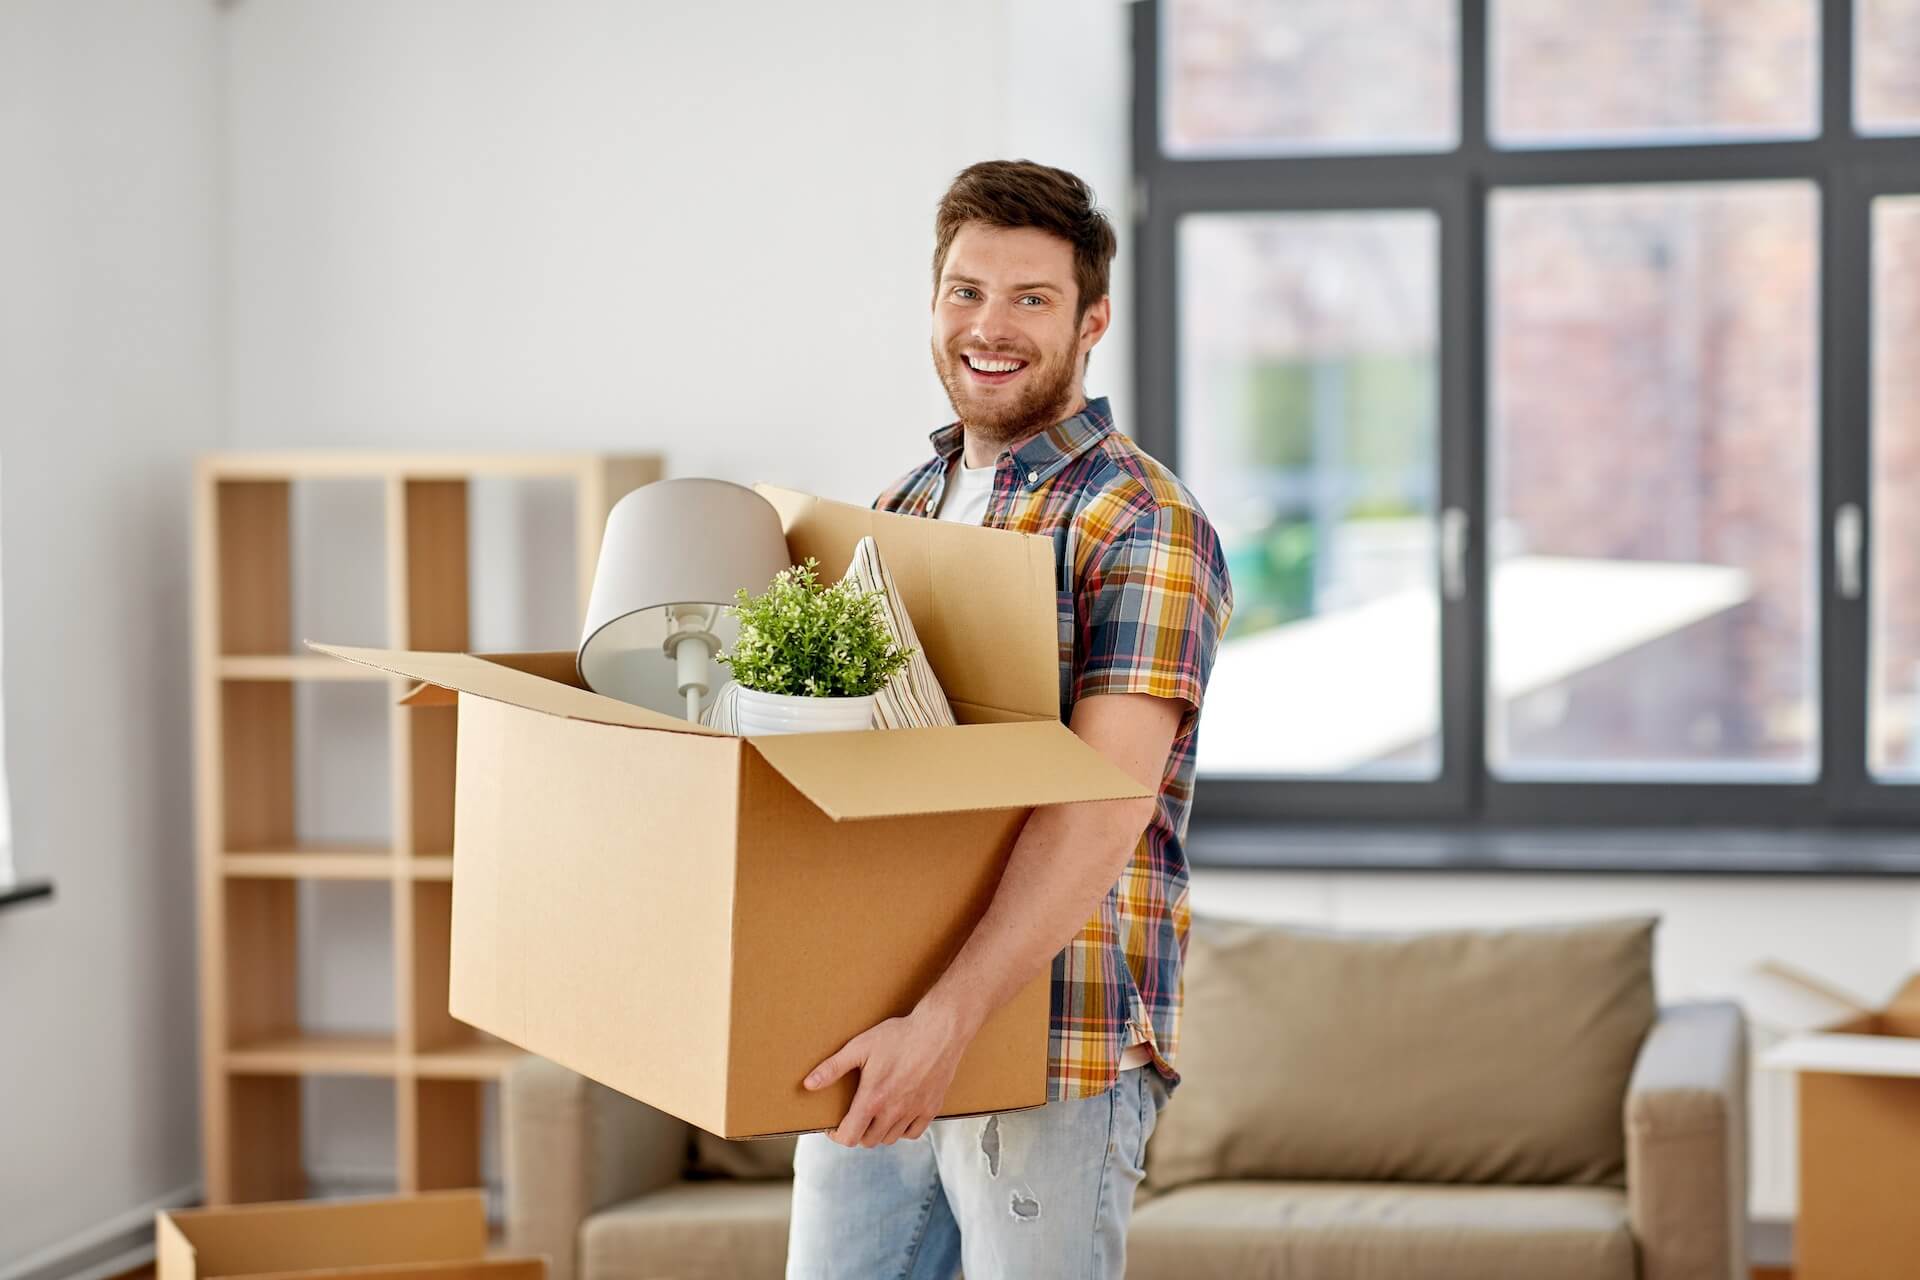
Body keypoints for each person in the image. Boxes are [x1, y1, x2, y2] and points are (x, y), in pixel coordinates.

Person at [784, 159, 1234, 1279]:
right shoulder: (901, 507)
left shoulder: (1143, 522)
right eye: (965, 291)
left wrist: (946, 1021)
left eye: (1031, 297)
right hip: (876, 1025)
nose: (990, 326)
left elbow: (1103, 804)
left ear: (1094, 322)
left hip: (1049, 1040)